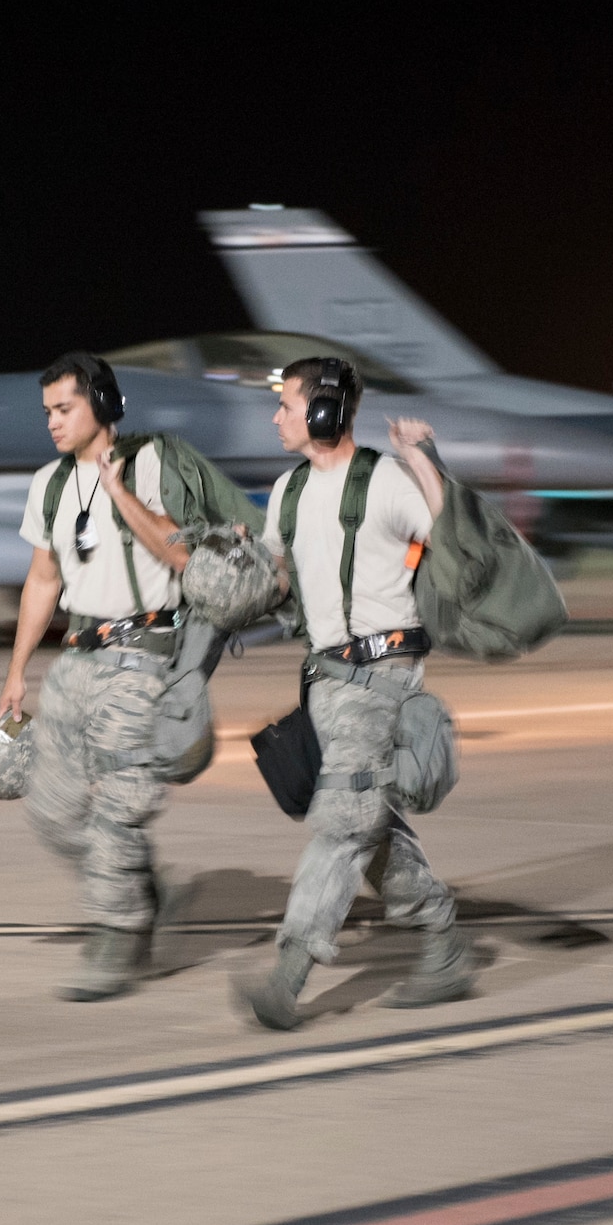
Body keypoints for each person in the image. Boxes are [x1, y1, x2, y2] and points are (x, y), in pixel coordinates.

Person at [237, 357, 475, 1030]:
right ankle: (444, 944)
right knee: (367, 826)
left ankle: (288, 977)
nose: (276, 417)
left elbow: (455, 534)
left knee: (342, 820)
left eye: (286, 404)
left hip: (382, 678)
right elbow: (279, 575)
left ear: (325, 410)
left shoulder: (387, 481)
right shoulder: (286, 492)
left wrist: (422, 457)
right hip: (325, 683)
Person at [0, 351, 193, 1001]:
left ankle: (117, 932)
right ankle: (134, 881)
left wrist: (117, 488)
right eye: (47, 411)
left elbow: (177, 547)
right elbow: (43, 579)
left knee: (117, 807)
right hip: (78, 655)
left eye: (65, 408)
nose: (52, 423)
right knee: (51, 810)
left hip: (143, 650)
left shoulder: (153, 464)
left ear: (103, 406)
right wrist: (17, 670)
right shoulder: (48, 484)